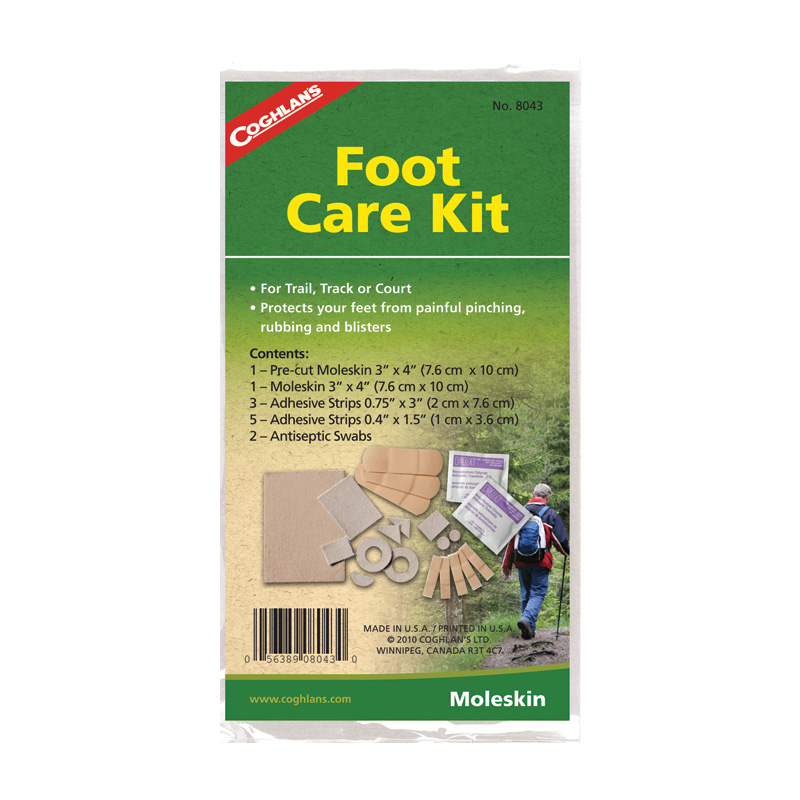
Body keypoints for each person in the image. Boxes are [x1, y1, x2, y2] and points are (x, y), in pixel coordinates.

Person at [501, 483, 570, 639]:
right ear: (547, 497)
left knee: (526, 593)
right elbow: (560, 541)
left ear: (533, 494)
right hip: (541, 561)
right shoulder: (550, 514)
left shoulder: (519, 512)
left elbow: (510, 541)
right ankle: (526, 619)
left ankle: (528, 630)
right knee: (537, 593)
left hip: (521, 560)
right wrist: (567, 552)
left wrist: (506, 565)